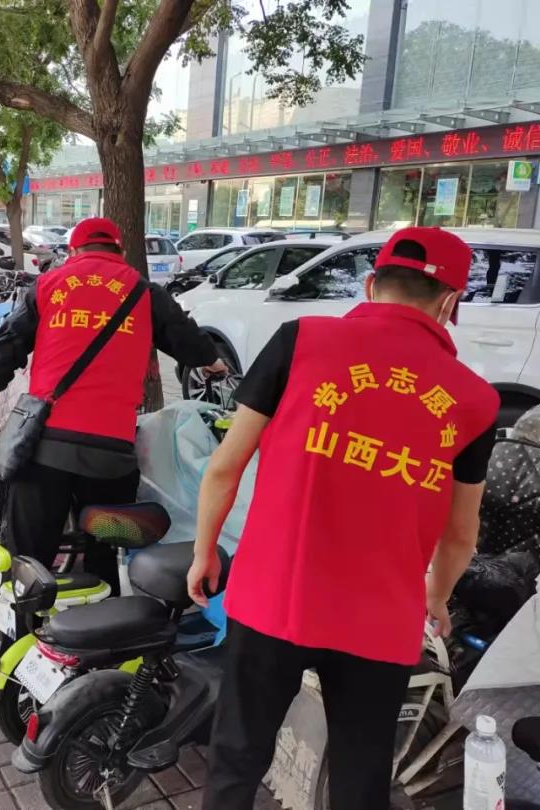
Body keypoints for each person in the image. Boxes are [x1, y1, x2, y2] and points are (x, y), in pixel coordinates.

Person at [188, 227, 499, 810]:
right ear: (450, 303)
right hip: (380, 620)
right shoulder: (476, 401)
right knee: (361, 776)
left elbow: (225, 467)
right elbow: (461, 533)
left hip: (273, 597)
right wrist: (435, 596)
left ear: (371, 284)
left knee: (236, 758)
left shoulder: (299, 340)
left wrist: (205, 550)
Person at [0, 217, 226, 590]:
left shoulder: (48, 285)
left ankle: (24, 623)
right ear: (120, 251)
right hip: (111, 455)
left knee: (28, 563)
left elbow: (2, 354)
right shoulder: (143, 292)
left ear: (73, 250)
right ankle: (100, 618)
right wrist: (216, 364)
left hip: (45, 447)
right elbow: (193, 344)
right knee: (106, 557)